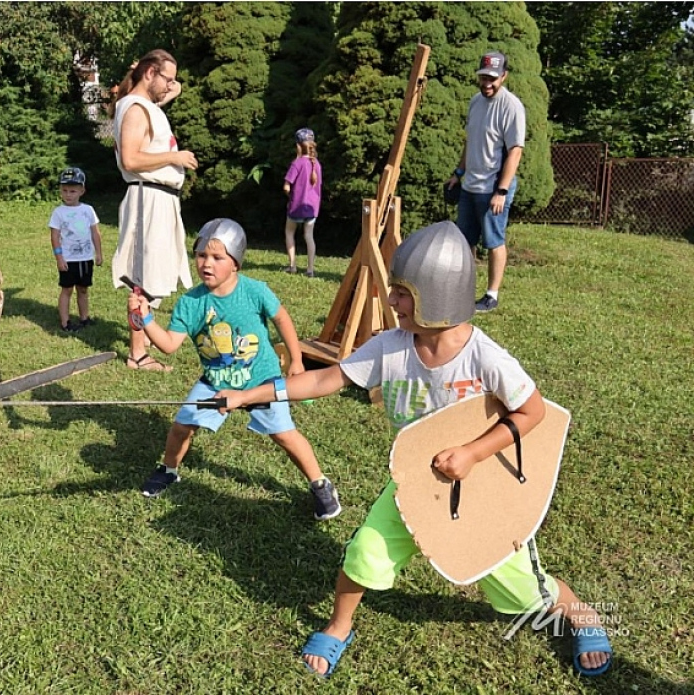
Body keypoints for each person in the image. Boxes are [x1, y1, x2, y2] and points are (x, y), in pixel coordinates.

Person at [218, 221, 613, 678]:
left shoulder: (485, 358)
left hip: (481, 488)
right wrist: (250, 395)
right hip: (417, 482)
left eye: (403, 294)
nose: (391, 302)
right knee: (364, 551)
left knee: (522, 594)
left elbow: (533, 413)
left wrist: (473, 452)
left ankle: (582, 613)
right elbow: (328, 378)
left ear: (439, 294)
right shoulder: (391, 346)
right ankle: (339, 625)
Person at [128, 219, 342, 520]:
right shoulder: (190, 303)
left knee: (284, 435)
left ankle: (320, 483)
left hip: (261, 381)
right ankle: (169, 469)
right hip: (216, 382)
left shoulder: (255, 291)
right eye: (201, 255)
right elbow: (169, 345)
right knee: (181, 427)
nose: (206, 263)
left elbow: (282, 319)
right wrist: (146, 318)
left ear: (236, 262)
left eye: (217, 257)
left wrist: (296, 359)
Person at [111, 49, 198, 372]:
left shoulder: (144, 105)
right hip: (147, 198)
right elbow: (132, 160)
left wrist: (168, 82)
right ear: (150, 74)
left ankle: (143, 336)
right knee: (142, 277)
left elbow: (167, 93)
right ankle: (137, 353)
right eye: (167, 79)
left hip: (160, 198)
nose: (171, 86)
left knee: (155, 270)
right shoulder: (134, 110)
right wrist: (174, 158)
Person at [444, 51, 526, 313]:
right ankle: (462, 292)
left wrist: (501, 190)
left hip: (493, 188)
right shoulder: (475, 102)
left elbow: (515, 150)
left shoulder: (512, 106)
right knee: (464, 241)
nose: (487, 83)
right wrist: (458, 173)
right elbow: (470, 141)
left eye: (492, 78)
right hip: (470, 185)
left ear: (504, 76)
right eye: (483, 77)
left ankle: (491, 295)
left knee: (493, 241)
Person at [49, 167, 103, 332]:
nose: (68, 194)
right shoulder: (58, 213)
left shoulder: (88, 210)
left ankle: (84, 318)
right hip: (68, 260)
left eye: (72, 191)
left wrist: (99, 253)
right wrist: (59, 258)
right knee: (67, 290)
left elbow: (95, 232)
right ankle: (65, 323)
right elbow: (55, 237)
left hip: (85, 258)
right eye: (64, 190)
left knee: (83, 289)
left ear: (82, 191)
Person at [283, 128, 323, 278]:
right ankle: (310, 269)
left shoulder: (297, 163)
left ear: (298, 145)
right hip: (312, 208)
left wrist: (290, 195)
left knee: (289, 232)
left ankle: (292, 266)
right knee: (309, 236)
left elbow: (287, 186)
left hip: (297, 206)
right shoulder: (316, 164)